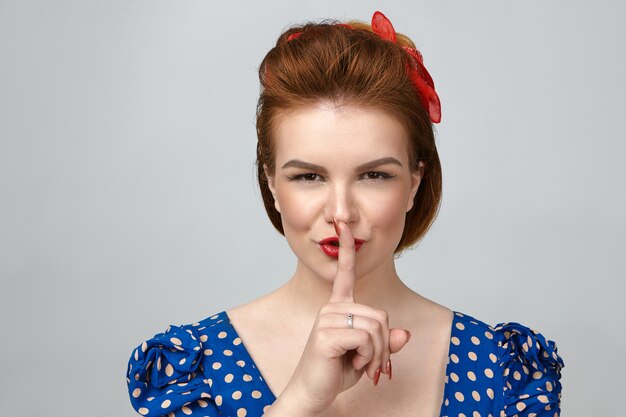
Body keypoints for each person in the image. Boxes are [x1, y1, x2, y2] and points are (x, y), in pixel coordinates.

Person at [125, 11, 564, 417]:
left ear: (414, 183)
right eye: (308, 177)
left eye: (374, 175)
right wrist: (301, 399)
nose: (341, 213)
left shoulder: (501, 370)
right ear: (273, 184)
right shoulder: (193, 367)